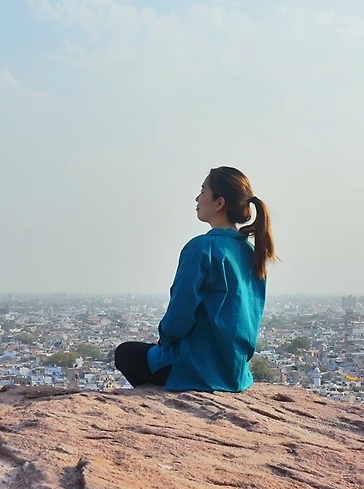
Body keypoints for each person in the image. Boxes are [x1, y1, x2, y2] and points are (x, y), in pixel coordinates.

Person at [114, 166, 275, 392]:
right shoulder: (251, 252)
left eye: (202, 191)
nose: (197, 198)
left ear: (219, 203)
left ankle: (163, 398)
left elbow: (179, 315)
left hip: (196, 369)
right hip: (235, 372)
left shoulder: (202, 247)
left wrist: (165, 340)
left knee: (125, 353)